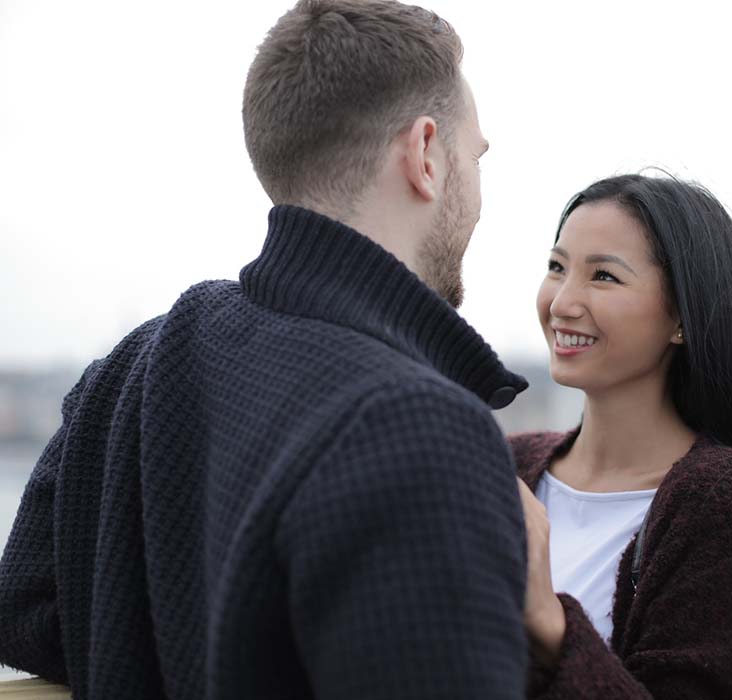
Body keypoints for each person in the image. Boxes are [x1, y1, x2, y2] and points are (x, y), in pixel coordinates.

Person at [0, 2, 534, 698]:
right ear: (425, 153)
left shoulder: (137, 363)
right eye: (474, 156)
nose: (477, 189)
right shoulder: (416, 426)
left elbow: (24, 613)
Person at [511, 173, 732, 698]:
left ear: (682, 317)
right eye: (557, 267)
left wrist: (550, 623)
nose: (562, 302)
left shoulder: (717, 500)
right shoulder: (510, 465)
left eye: (603, 276)